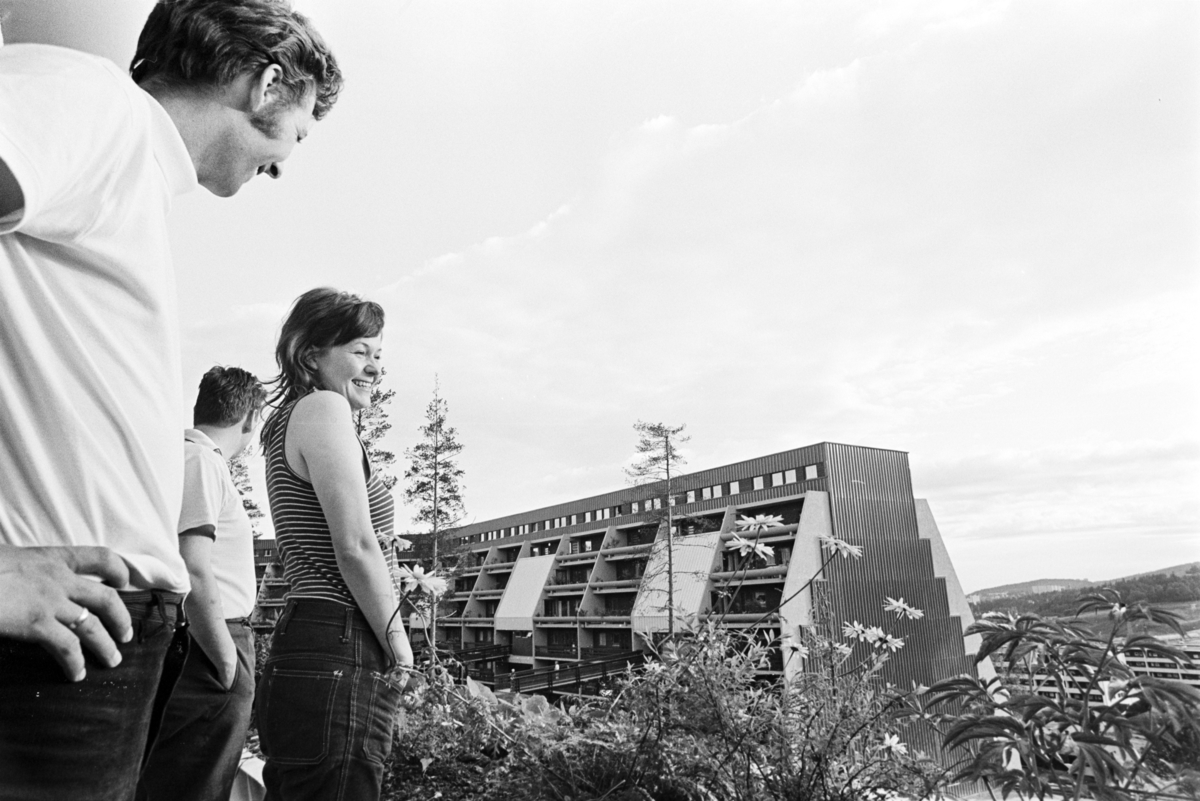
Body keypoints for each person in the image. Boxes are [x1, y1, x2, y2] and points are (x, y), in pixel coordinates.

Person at [0, 1, 341, 797]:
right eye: (298, 129)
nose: (285, 161)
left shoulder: (123, 158)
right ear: (268, 84)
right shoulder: (97, 103)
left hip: (83, 628)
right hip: (55, 633)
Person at [256, 288, 413, 801]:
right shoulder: (324, 407)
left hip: (310, 641)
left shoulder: (289, 419)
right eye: (359, 352)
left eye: (378, 355)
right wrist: (400, 646)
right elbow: (354, 545)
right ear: (311, 354)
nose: (373, 368)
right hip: (339, 640)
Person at [138, 367, 267, 801]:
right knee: (196, 784)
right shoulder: (201, 460)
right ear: (250, 418)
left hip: (205, 639)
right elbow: (193, 565)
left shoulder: (185, 459)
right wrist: (227, 661)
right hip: (212, 640)